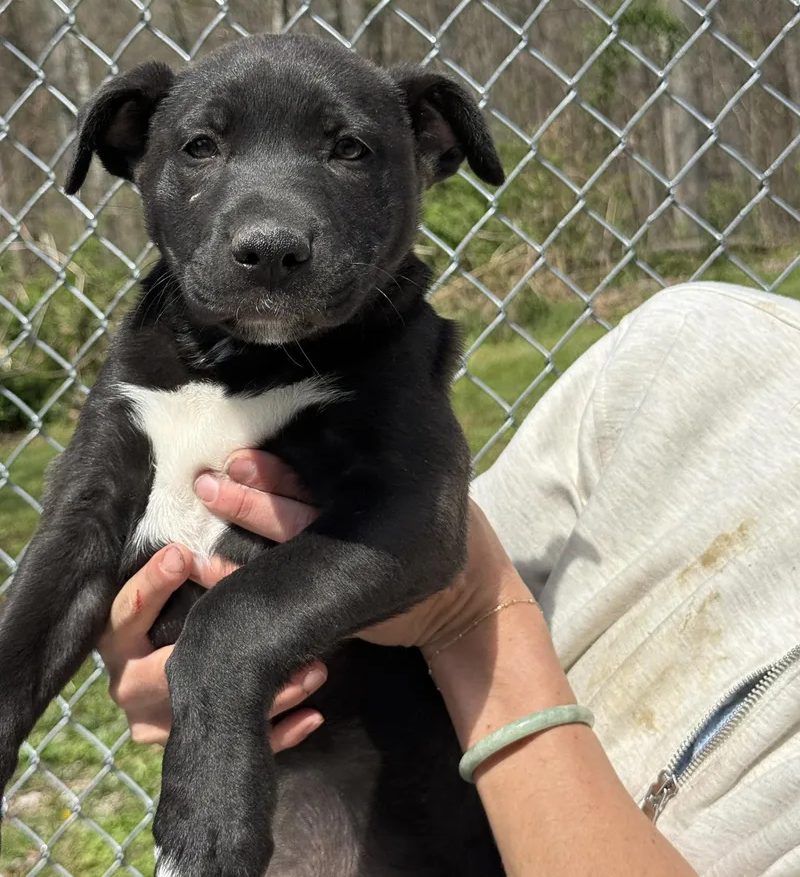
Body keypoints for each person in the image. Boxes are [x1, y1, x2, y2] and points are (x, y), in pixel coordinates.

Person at [99, 282, 800, 876]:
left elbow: (452, 580)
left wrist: (471, 616)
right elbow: (422, 553)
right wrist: (190, 638)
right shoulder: (702, 348)